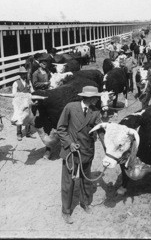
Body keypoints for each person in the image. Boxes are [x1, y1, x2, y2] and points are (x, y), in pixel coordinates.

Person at [57, 86, 103, 224]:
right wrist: (70, 143)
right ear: (89, 97)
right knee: (68, 182)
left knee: (86, 179)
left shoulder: (95, 112)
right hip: (71, 152)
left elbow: (99, 129)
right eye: (95, 97)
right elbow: (61, 129)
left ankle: (85, 203)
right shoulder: (70, 107)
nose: (97, 99)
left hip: (87, 151)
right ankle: (66, 211)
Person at [12, 67, 35, 141]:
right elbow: (14, 94)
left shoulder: (29, 82)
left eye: (24, 74)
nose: (24, 75)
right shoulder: (16, 83)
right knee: (19, 116)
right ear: (19, 75)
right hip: (19, 102)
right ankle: (19, 134)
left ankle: (28, 132)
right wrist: (22, 95)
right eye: (22, 74)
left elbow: (32, 91)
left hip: (27, 102)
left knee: (28, 115)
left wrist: (32, 95)